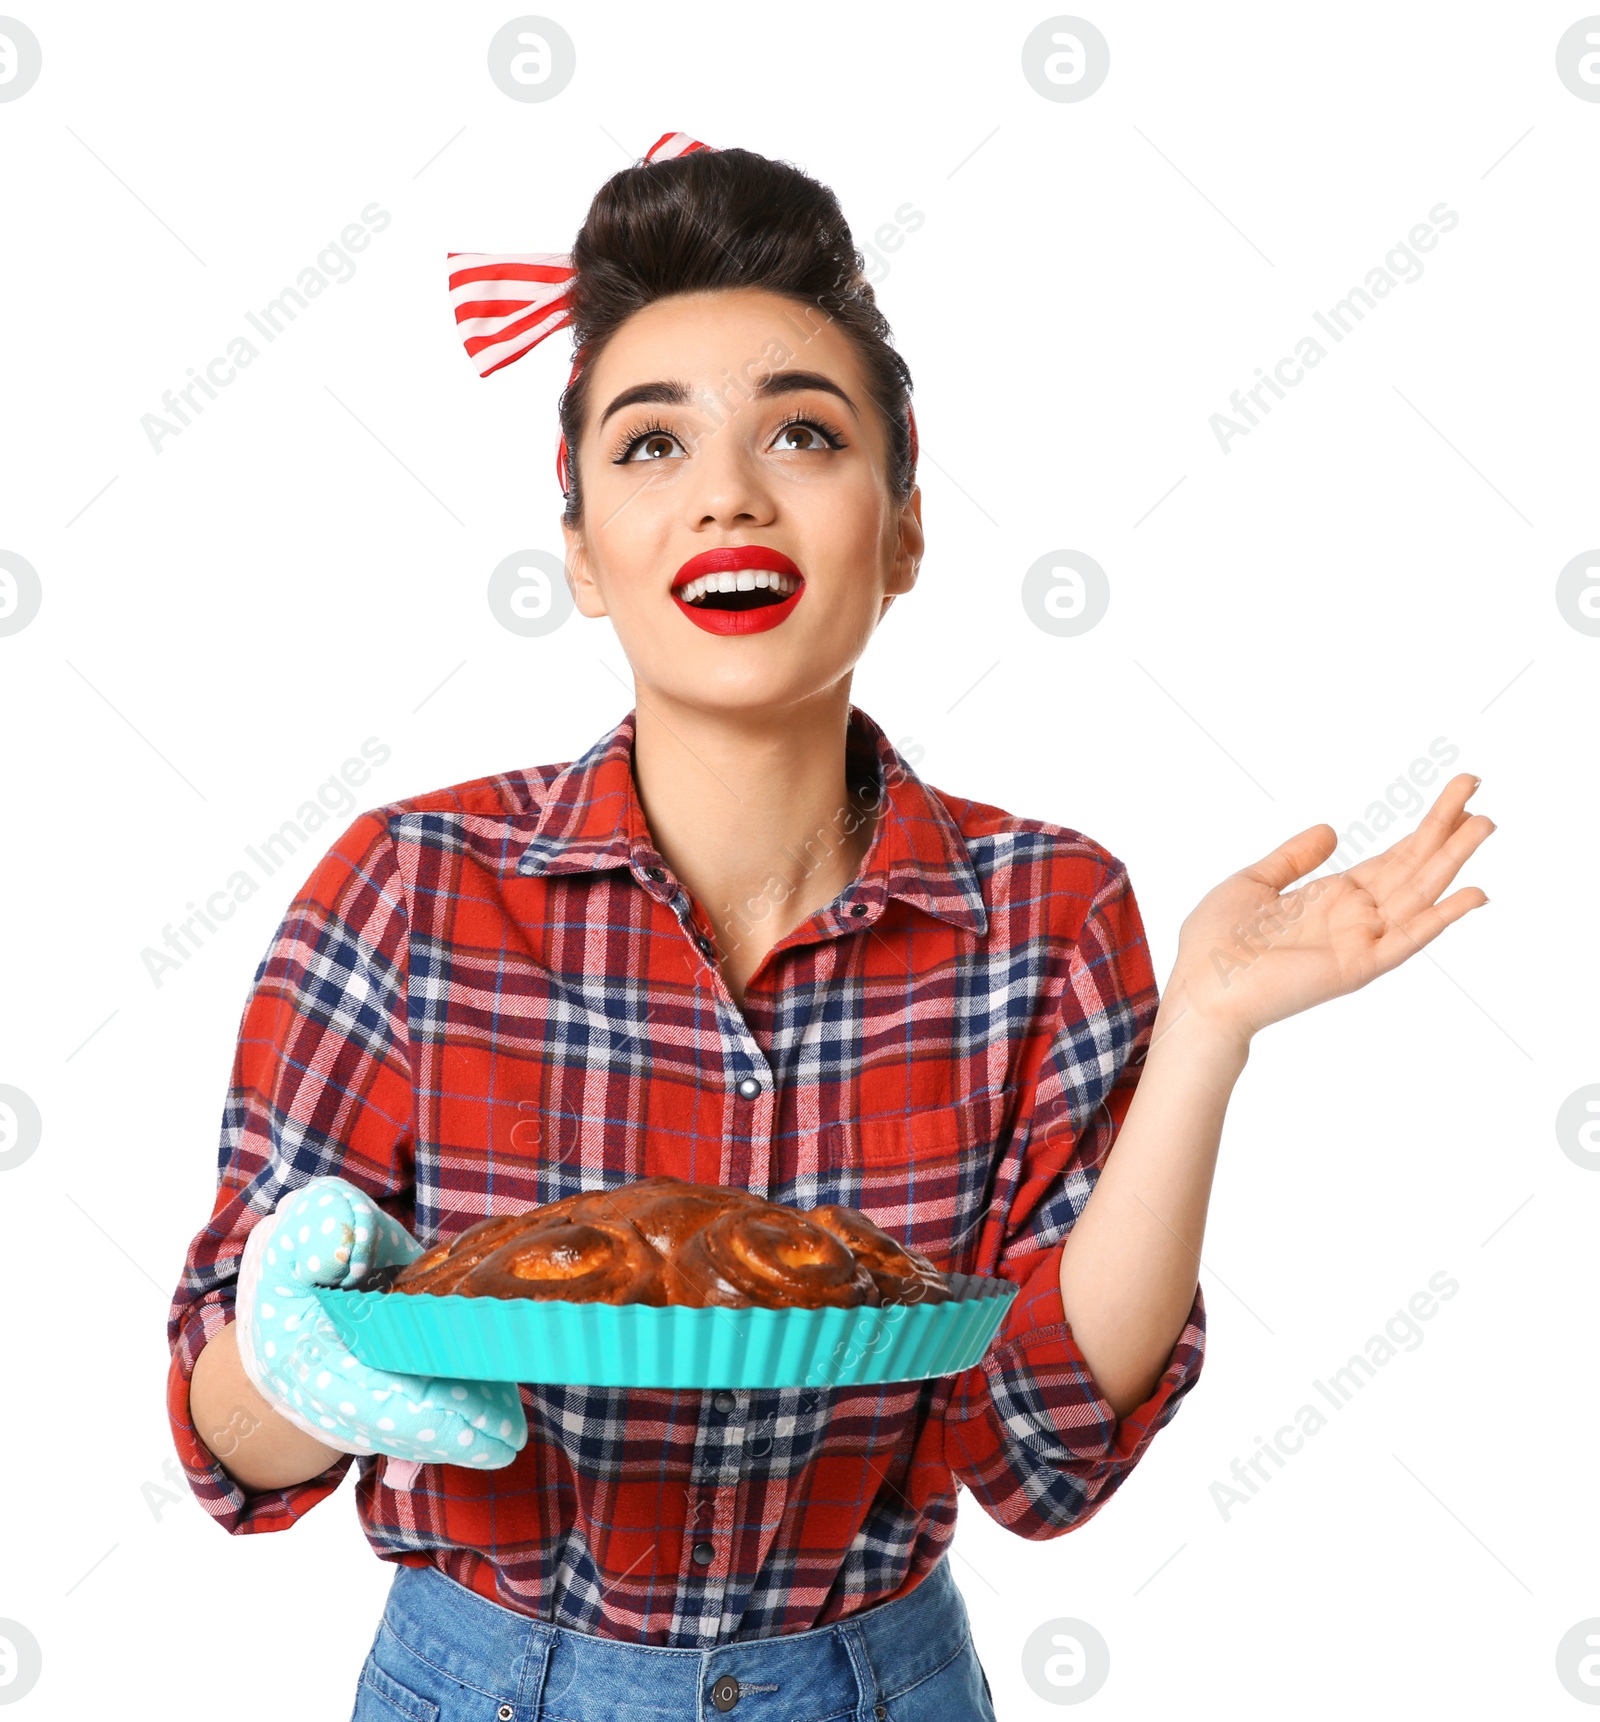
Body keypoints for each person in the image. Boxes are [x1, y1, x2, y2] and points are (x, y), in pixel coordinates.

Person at [168, 135, 1494, 1721]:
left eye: (802, 431)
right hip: (482, 1683)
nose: (728, 488)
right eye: (650, 446)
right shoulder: (410, 886)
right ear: (583, 551)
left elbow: (1047, 1452)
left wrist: (1205, 1028)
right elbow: (226, 1453)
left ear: (906, 526)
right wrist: (317, 1341)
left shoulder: (1047, 916)